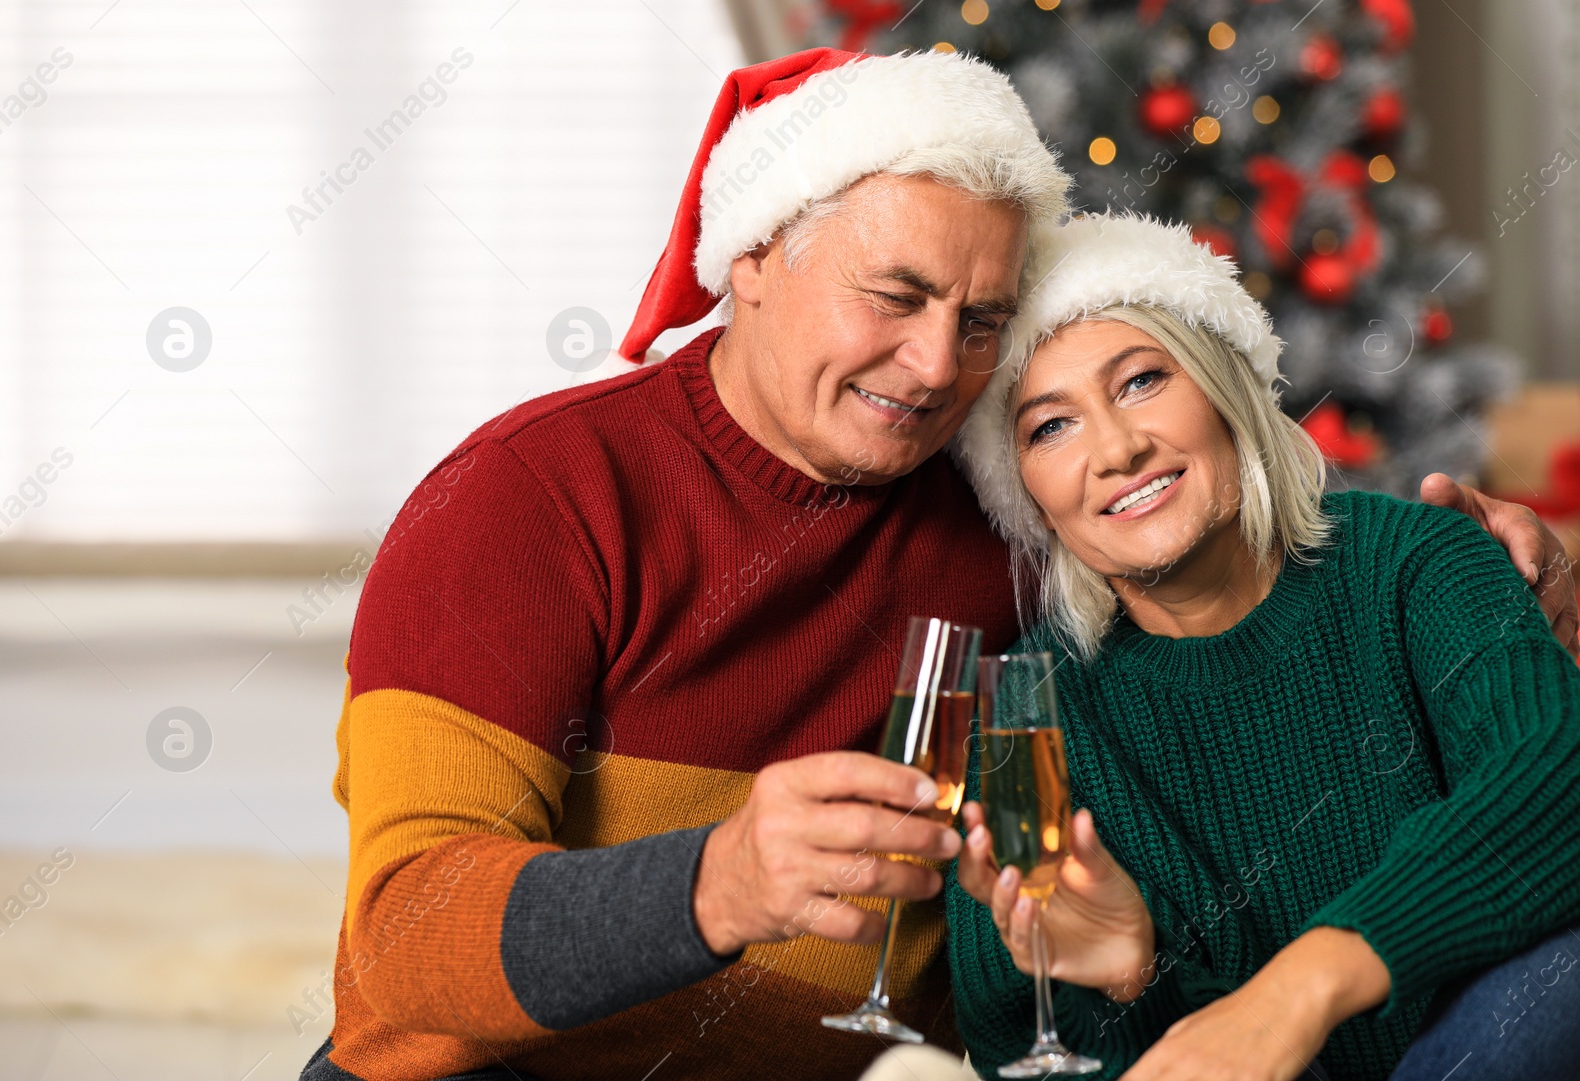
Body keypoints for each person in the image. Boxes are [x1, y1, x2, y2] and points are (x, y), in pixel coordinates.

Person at [299, 46, 1575, 1080]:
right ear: (754, 259)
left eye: (976, 323)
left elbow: (1222, 545)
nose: (929, 369)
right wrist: (714, 882)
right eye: (893, 296)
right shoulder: (528, 501)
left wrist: (1514, 594)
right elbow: (404, 939)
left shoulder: (1014, 531)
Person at [946, 213, 1580, 1081]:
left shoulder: (1413, 563)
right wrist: (1138, 973)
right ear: (1026, 493)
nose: (1118, 449)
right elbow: (1014, 1039)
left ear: (1224, 391)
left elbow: (1558, 773)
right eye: (1049, 427)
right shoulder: (1027, 707)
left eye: (1140, 381)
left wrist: (1309, 980)